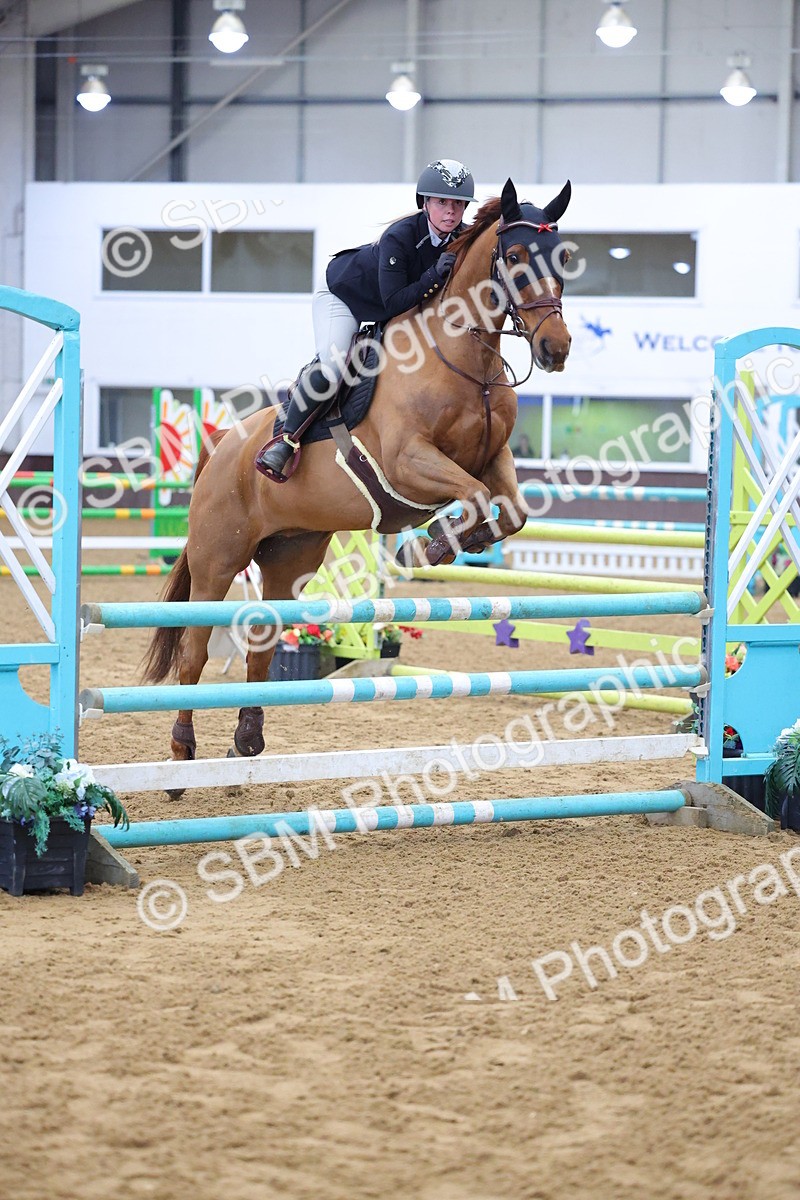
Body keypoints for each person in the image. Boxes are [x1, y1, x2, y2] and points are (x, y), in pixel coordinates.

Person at [255, 159, 476, 480]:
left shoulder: (461, 236)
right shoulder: (400, 237)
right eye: (442, 202)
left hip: (392, 306)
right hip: (344, 297)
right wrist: (433, 275)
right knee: (333, 366)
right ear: (425, 203)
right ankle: (286, 441)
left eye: (458, 203)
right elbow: (394, 302)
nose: (451, 211)